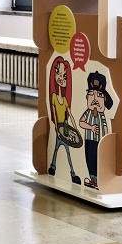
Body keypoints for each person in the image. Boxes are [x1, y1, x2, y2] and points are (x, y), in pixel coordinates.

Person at [48, 56, 81, 185]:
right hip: (59, 128)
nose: (61, 78)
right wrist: (56, 127)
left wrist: (76, 128)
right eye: (58, 73)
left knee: (62, 149)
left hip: (65, 128)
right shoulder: (54, 97)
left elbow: (70, 115)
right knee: (59, 149)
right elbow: (54, 114)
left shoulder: (66, 100)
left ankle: (54, 167)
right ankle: (70, 172)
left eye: (64, 76)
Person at [78, 71, 113, 190]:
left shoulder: (102, 115)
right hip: (89, 139)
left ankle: (98, 180)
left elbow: (105, 127)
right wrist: (91, 127)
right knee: (90, 158)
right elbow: (81, 122)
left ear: (104, 99)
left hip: (100, 141)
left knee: (98, 158)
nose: (95, 99)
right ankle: (92, 179)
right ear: (87, 97)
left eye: (99, 95)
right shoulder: (87, 112)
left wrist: (107, 139)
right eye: (91, 94)